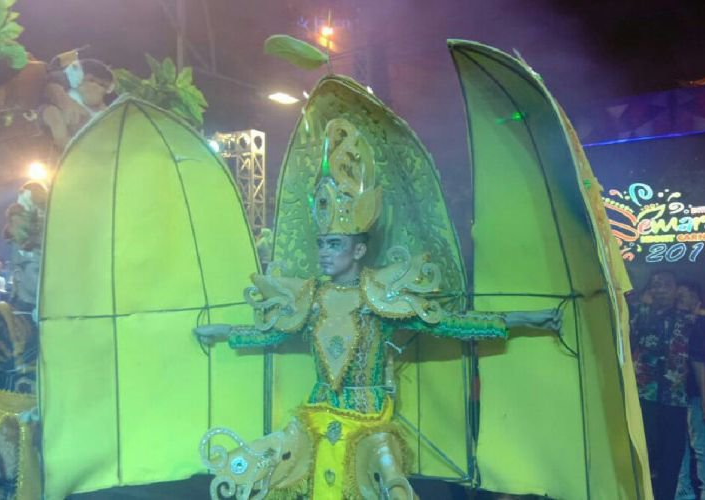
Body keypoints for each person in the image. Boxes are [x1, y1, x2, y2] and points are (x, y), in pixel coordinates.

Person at [194, 119, 560, 499]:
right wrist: (222, 332)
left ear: (359, 249)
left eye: (334, 244)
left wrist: (523, 320)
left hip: (368, 426)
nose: (324, 253)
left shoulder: (380, 298)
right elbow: (268, 333)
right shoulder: (310, 298)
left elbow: (449, 324)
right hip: (315, 420)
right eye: (321, 244)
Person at [630, 270, 705, 500]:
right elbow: (627, 349)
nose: (661, 290)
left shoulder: (688, 321)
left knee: (672, 457)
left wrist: (704, 397)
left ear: (675, 291)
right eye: (656, 285)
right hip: (644, 396)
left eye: (666, 285)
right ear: (650, 290)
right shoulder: (639, 316)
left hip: (674, 398)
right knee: (645, 452)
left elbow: (698, 360)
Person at [0, 182, 46, 500]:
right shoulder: (3, 319)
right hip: (9, 444)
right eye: (35, 267)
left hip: (51, 443)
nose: (44, 277)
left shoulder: (64, 321)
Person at [674, 281, 705, 500]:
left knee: (699, 443)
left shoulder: (701, 322)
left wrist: (704, 397)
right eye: (678, 295)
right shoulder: (674, 321)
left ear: (695, 297)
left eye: (683, 295)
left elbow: (699, 360)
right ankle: (685, 488)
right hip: (675, 391)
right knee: (679, 443)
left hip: (693, 390)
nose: (679, 299)